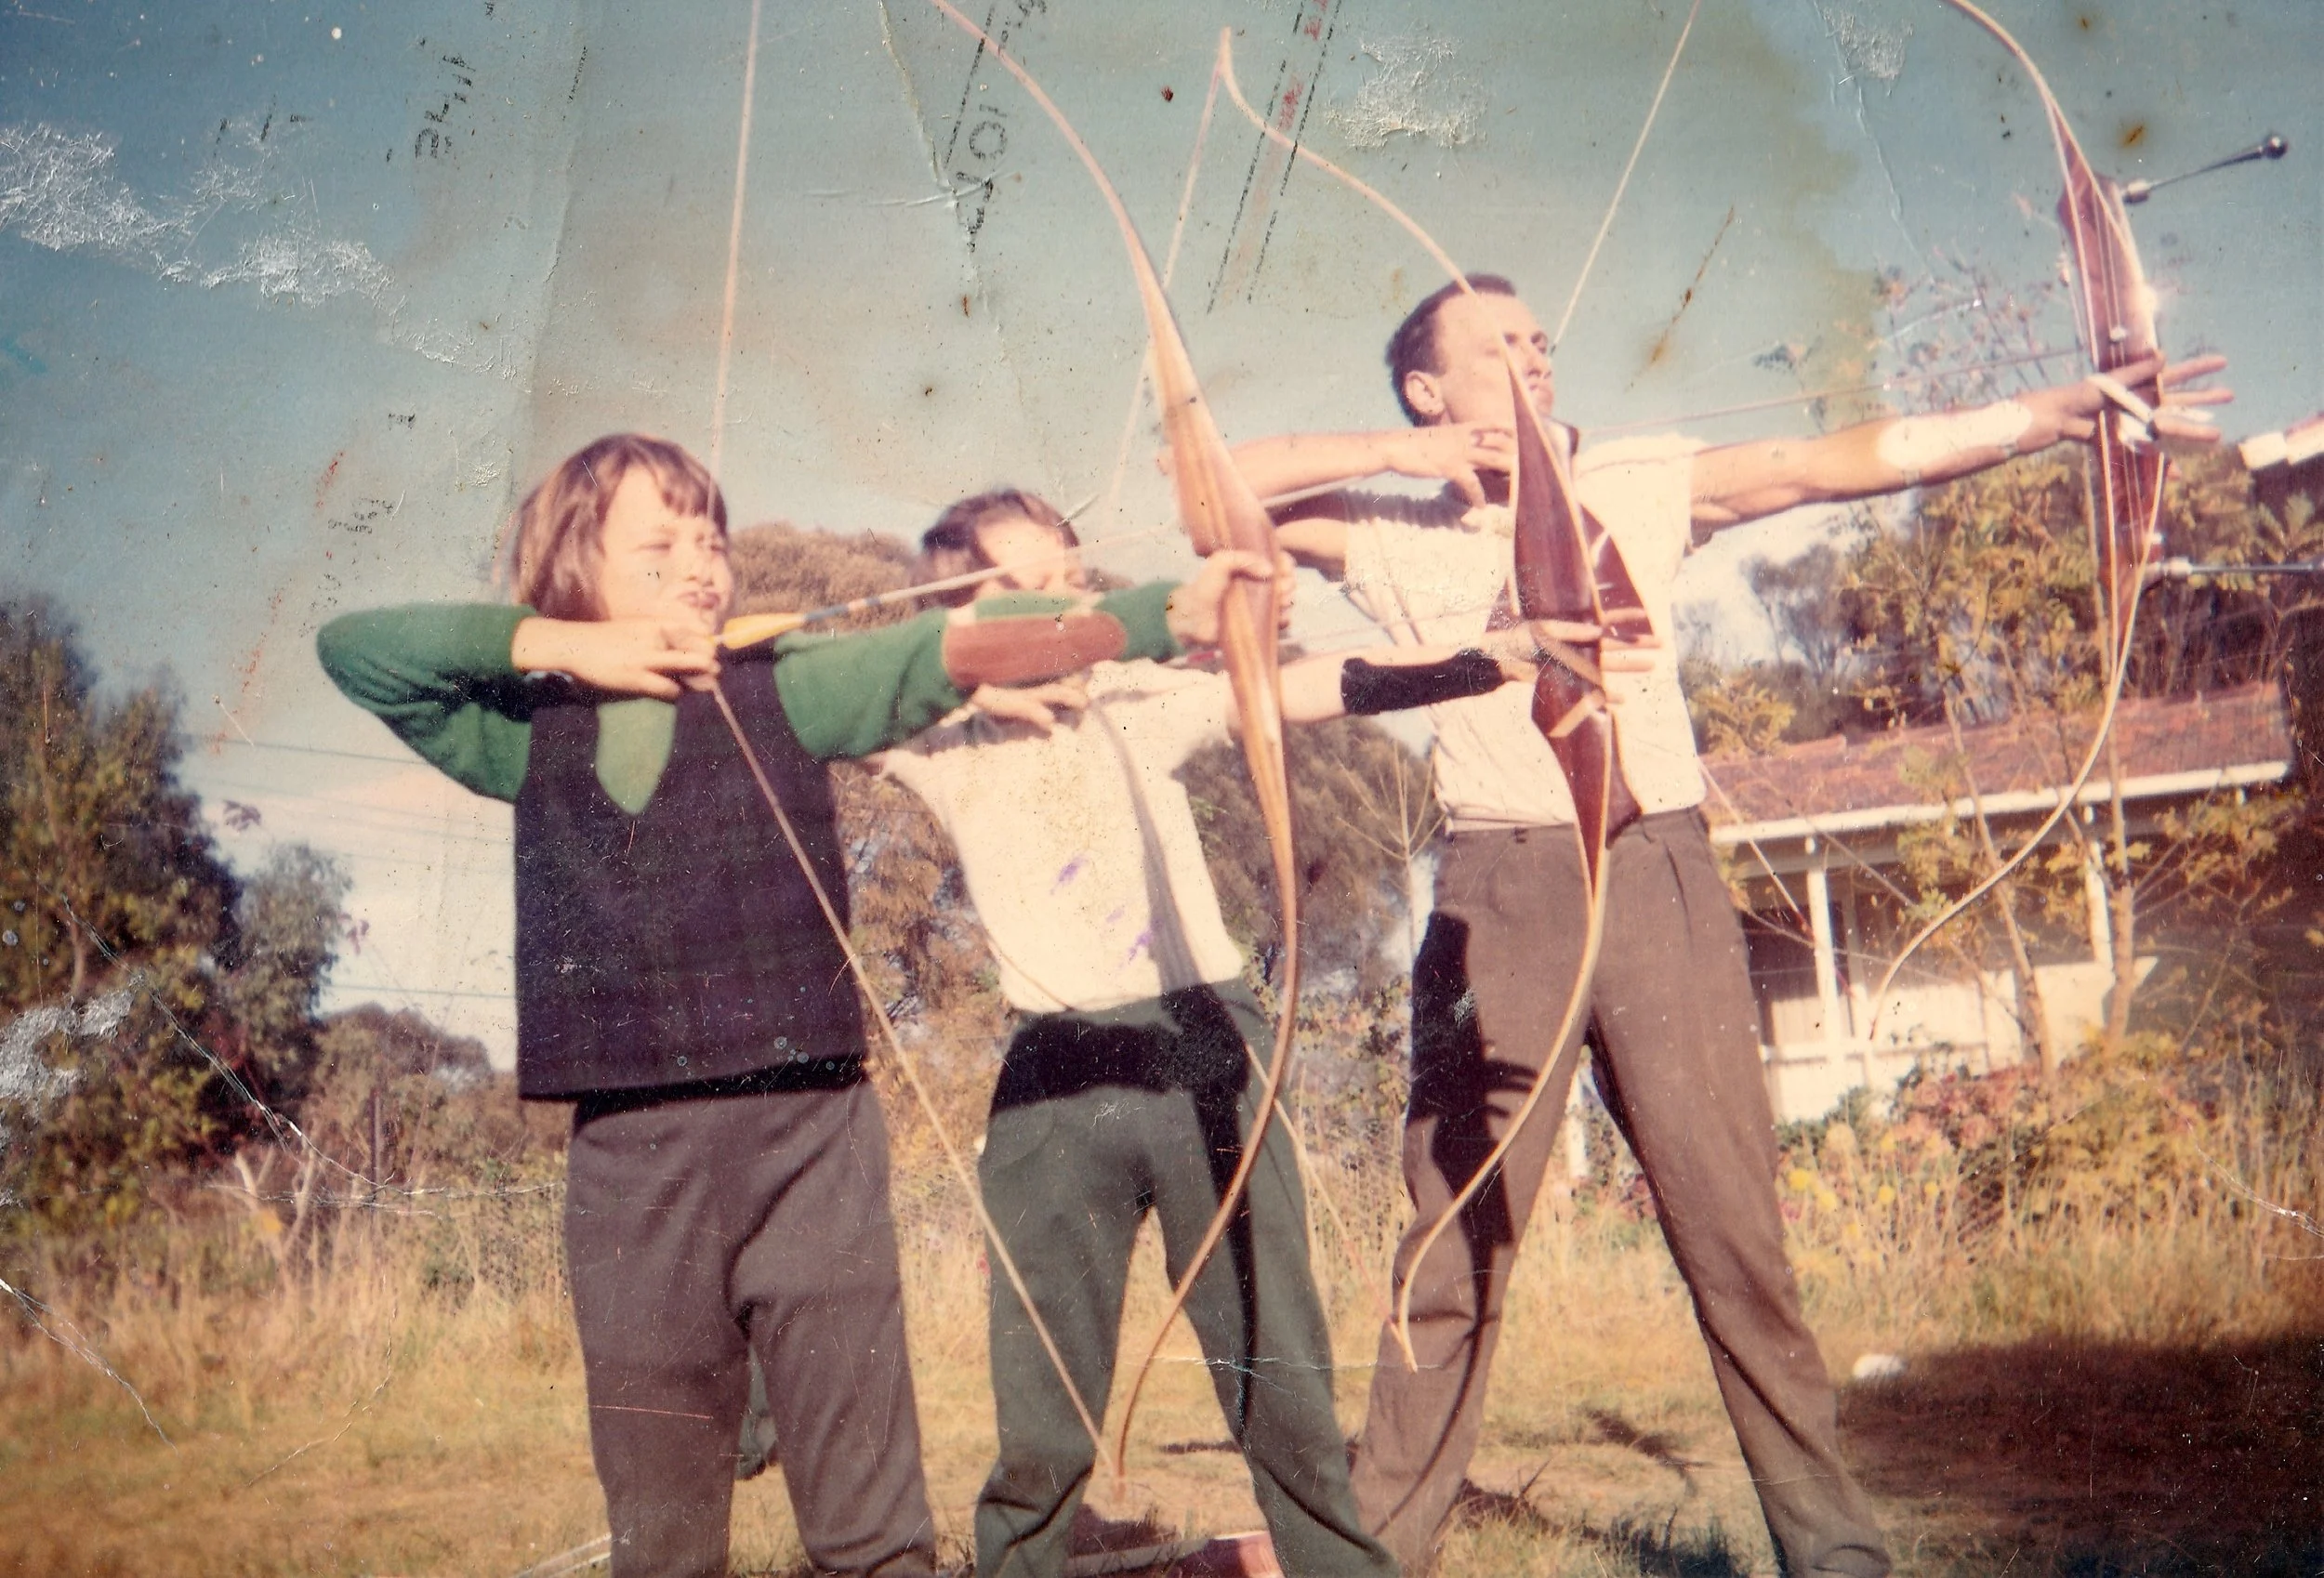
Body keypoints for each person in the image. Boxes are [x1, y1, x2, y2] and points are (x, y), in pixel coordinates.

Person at [1228, 276, 2230, 1577]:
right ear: (1428, 388)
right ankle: (1371, 1555)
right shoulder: (1388, 523)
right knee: (1451, 1231)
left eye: (1540, 340)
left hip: (1656, 871)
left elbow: (1829, 463)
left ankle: (1833, 1554)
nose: (1533, 359)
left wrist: (2048, 415)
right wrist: (1402, 457)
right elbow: (1212, 489)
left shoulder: (1638, 478)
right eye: (1494, 348)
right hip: (1501, 889)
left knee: (1732, 1231)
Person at [315, 435, 1283, 1578]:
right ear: (577, 564)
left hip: (814, 1137)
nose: (701, 566)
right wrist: (575, 646)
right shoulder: (521, 731)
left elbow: (957, 644)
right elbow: (356, 650)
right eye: (659, 545)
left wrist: (1173, 609)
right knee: (664, 1517)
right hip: (632, 1161)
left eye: (712, 541)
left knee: (869, 1513)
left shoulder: (787, 687)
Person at [878, 489, 1548, 1578]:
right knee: (1042, 1386)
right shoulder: (933, 734)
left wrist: (1489, 657)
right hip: (1053, 1067)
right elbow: (814, 693)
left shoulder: (1132, 696)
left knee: (1272, 1354)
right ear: (954, 601)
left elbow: (1303, 687)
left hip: (1199, 1038)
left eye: (1074, 577)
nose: (1066, 603)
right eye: (1023, 582)